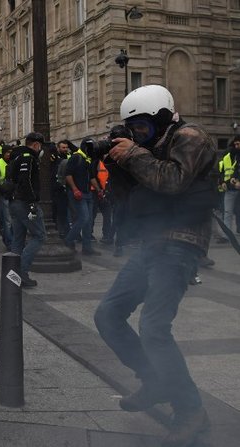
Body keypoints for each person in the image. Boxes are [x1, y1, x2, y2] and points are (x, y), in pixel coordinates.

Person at [93, 85, 217, 447]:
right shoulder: (147, 150)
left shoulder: (191, 136)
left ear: (162, 117)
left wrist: (133, 155)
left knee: (154, 328)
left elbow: (173, 180)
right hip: (152, 242)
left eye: (143, 128)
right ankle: (154, 379)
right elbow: (130, 201)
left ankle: (191, 411)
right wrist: (118, 166)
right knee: (108, 314)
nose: (138, 136)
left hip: (181, 243)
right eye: (134, 130)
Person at [6, 132, 47, 288]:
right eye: (40, 146)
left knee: (18, 240)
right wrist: (32, 202)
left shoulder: (16, 156)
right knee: (40, 236)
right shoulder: (28, 157)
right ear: (36, 144)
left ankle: (13, 276)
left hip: (15, 202)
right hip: (24, 203)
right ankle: (22, 272)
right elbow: (26, 180)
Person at [64, 142, 102, 255]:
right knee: (84, 218)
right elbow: (68, 175)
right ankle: (68, 241)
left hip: (88, 194)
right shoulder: (76, 157)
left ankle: (87, 247)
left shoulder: (87, 159)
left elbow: (92, 177)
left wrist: (99, 190)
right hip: (78, 194)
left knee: (88, 221)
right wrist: (75, 189)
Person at [217, 136, 240, 238]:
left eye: (238, 144)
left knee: (229, 211)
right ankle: (227, 234)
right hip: (230, 187)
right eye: (235, 144)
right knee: (227, 211)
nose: (236, 146)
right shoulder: (229, 155)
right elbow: (221, 170)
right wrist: (224, 181)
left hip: (232, 186)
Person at [50, 140, 71, 239]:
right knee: (57, 212)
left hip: (66, 189)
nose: (65, 149)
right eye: (63, 147)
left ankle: (64, 232)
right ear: (58, 148)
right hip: (56, 189)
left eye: (66, 147)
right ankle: (59, 230)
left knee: (64, 213)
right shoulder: (54, 158)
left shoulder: (69, 157)